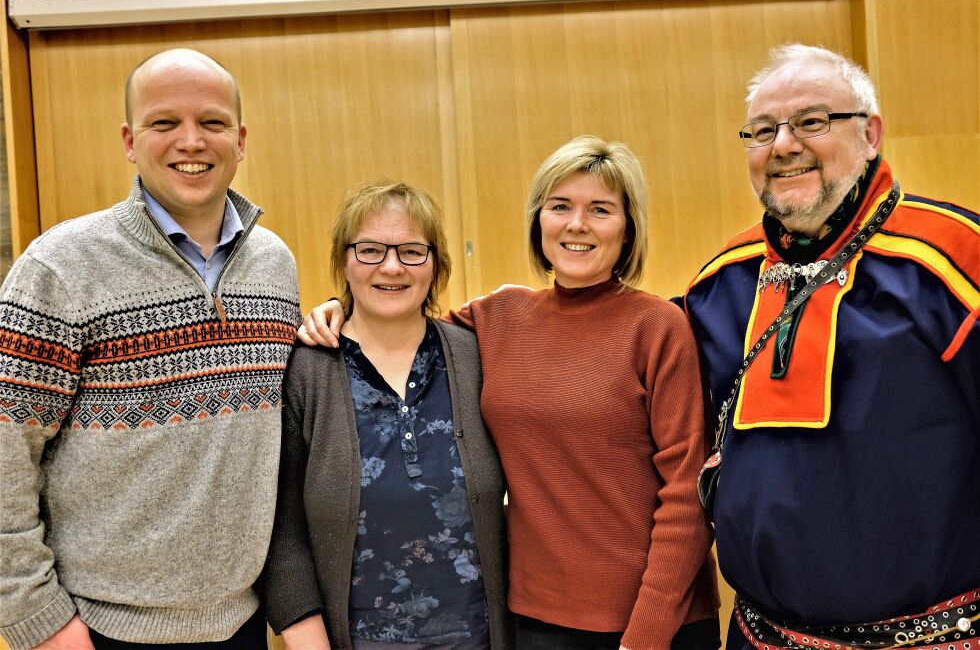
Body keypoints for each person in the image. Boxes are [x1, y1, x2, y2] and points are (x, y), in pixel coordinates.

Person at [300, 137, 720, 650]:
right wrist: (335, 309)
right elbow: (397, 318)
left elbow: (688, 491)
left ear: (628, 229)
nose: (576, 224)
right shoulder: (499, 317)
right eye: (560, 206)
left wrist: (646, 636)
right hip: (535, 619)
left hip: (652, 621)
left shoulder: (658, 326)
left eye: (601, 209)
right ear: (538, 221)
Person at [0, 49, 300, 650]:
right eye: (164, 123)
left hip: (242, 621)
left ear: (240, 140)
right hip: (97, 628)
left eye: (212, 123)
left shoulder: (275, 265)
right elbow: (6, 456)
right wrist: (39, 622)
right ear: (130, 141)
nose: (191, 141)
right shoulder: (60, 268)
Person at [681, 43, 979, 648]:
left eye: (813, 121)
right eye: (762, 131)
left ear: (870, 133)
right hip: (758, 636)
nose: (784, 145)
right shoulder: (718, 285)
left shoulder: (955, 262)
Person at [260, 180, 510, 650]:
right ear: (344, 261)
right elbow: (278, 527)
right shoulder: (305, 369)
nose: (392, 267)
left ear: (436, 265)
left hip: (477, 637)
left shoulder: (475, 356)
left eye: (413, 251)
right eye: (371, 249)